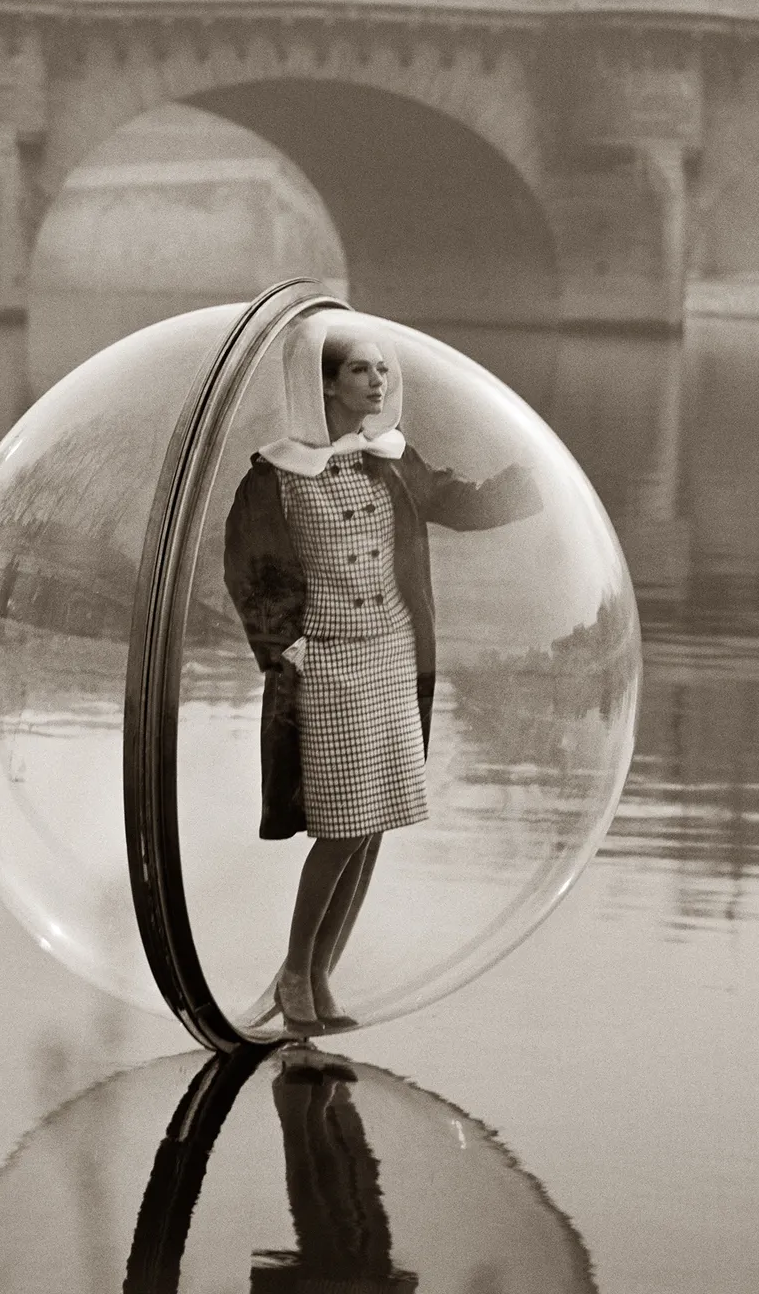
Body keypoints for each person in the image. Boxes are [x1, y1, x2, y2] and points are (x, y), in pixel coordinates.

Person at [223, 311, 540, 1036]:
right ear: (325, 383)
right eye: (360, 369)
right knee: (340, 826)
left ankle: (318, 977)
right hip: (329, 665)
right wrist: (284, 649)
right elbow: (249, 571)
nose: (377, 380)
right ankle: (297, 969)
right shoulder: (273, 479)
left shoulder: (391, 458)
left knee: (373, 827)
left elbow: (458, 502)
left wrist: (532, 482)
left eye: (382, 368)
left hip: (394, 656)